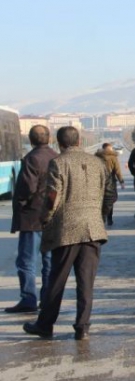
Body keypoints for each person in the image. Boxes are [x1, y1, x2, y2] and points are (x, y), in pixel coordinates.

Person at [23, 126, 116, 340]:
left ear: (59, 143)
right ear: (80, 142)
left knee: (57, 280)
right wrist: (99, 214)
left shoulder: (58, 163)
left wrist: (45, 219)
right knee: (86, 282)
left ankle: (45, 325)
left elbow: (53, 197)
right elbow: (110, 193)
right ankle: (82, 327)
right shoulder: (98, 163)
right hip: (93, 230)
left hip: (66, 230)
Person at [6, 125, 58, 314]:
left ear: (31, 139)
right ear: (49, 138)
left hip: (32, 218)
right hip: (53, 218)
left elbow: (26, 188)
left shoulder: (31, 159)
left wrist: (20, 204)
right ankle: (47, 299)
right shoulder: (56, 157)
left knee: (27, 261)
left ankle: (28, 299)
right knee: (49, 261)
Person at [95, 142, 125, 225]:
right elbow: (117, 171)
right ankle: (109, 218)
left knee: (101, 198)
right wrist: (121, 182)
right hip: (111, 181)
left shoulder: (96, 156)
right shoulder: (113, 157)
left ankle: (102, 216)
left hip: (99, 181)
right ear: (109, 148)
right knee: (110, 199)